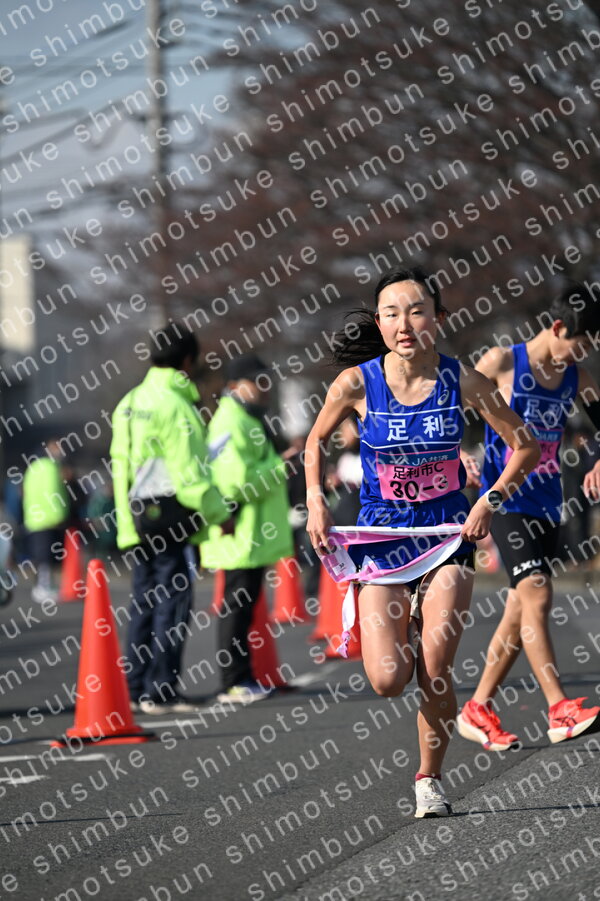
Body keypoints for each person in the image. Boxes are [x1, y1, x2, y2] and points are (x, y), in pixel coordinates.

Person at [305, 266, 540, 818]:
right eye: (391, 314)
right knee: (389, 679)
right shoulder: (357, 383)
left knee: (435, 669)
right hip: (382, 539)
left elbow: (524, 446)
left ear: (438, 318)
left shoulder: (464, 381)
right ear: (380, 322)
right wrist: (316, 500)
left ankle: (429, 780)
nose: (404, 324)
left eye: (416, 311)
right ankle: (406, 619)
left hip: (445, 537)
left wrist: (489, 500)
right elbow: (314, 441)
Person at [457, 283, 600, 750]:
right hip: (505, 500)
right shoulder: (502, 362)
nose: (582, 354)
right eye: (579, 344)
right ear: (557, 327)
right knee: (537, 593)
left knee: (521, 608)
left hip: (547, 503)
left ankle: (477, 707)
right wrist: (456, 451)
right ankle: (558, 708)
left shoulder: (577, 376)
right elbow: (449, 406)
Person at [110, 323, 234, 715]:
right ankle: (161, 691)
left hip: (136, 517)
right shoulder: (177, 406)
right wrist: (219, 514)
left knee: (143, 603)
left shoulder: (129, 402)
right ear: (187, 360)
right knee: (173, 602)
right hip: (172, 518)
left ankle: (135, 688)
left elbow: (118, 466)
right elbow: (190, 476)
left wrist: (125, 524)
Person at [200, 353, 294, 703]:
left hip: (249, 535)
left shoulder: (244, 418)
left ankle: (242, 679)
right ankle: (234, 682)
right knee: (236, 609)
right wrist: (280, 467)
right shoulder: (231, 421)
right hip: (241, 533)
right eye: (257, 381)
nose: (263, 388)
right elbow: (236, 482)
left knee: (242, 607)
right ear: (234, 386)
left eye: (265, 380)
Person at [22, 440, 69, 603]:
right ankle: (43, 587)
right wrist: (59, 515)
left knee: (42, 556)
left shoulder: (33, 467)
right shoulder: (50, 467)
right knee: (46, 557)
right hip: (48, 518)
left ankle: (43, 586)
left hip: (34, 518)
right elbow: (53, 492)